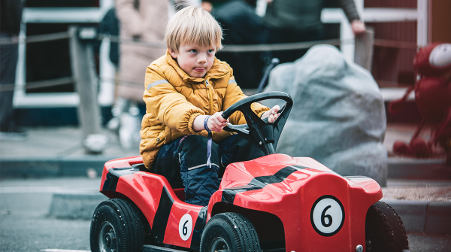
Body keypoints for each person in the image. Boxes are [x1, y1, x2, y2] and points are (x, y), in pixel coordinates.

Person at [140, 6, 280, 206]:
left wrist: (262, 116)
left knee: (251, 140)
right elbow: (171, 106)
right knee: (199, 143)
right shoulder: (158, 72)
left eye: (210, 51)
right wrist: (202, 121)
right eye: (193, 51)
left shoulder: (221, 71)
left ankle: (255, 202)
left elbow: (236, 101)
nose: (203, 60)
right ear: (173, 50)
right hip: (167, 153)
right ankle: (204, 209)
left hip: (211, 147)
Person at [113, 0, 169, 148]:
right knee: (139, 93)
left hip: (161, 39)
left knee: (156, 92)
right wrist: (138, 28)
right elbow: (124, 4)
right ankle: (134, 134)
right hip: (140, 41)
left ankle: (147, 137)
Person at [0, 0, 25, 140]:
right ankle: (3, 124)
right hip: (5, 36)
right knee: (6, 80)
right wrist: (14, 31)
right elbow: (12, 6)